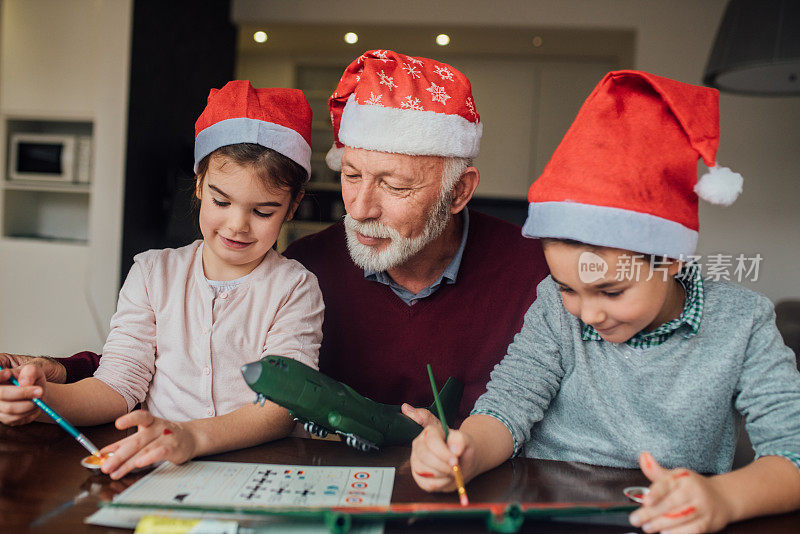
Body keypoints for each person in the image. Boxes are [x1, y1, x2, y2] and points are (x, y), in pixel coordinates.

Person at [1, 50, 549, 425]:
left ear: (458, 193)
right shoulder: (312, 263)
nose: (358, 209)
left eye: (395, 185)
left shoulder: (536, 272)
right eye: (352, 176)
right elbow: (163, 361)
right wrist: (59, 374)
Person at [408, 70, 800, 532]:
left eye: (612, 291)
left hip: (670, 520)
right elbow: (508, 406)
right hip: (543, 513)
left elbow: (792, 454)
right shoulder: (554, 309)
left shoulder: (743, 322)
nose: (588, 315)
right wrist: (465, 450)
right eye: (568, 288)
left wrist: (722, 498)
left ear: (671, 259)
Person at [0, 81, 324, 479]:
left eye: (263, 211)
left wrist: (191, 436)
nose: (238, 225)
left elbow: (281, 407)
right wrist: (44, 400)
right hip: (164, 472)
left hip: (259, 472)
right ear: (200, 183)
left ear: (292, 205)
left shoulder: (295, 288)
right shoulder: (153, 274)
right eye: (222, 202)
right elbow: (116, 387)